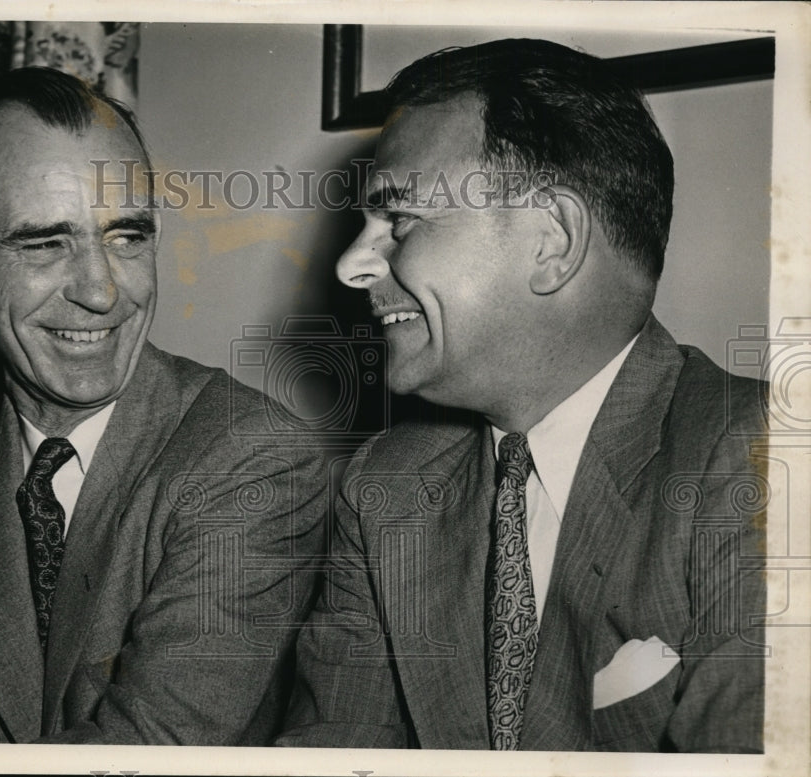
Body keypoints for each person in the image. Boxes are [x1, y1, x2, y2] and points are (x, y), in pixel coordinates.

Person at [278, 39, 766, 752]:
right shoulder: (384, 487)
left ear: (553, 240)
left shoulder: (763, 460)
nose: (353, 264)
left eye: (400, 218)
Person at [0, 66, 327, 744]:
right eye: (45, 243)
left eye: (127, 236)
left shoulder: (256, 456)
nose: (101, 291)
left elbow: (143, 750)